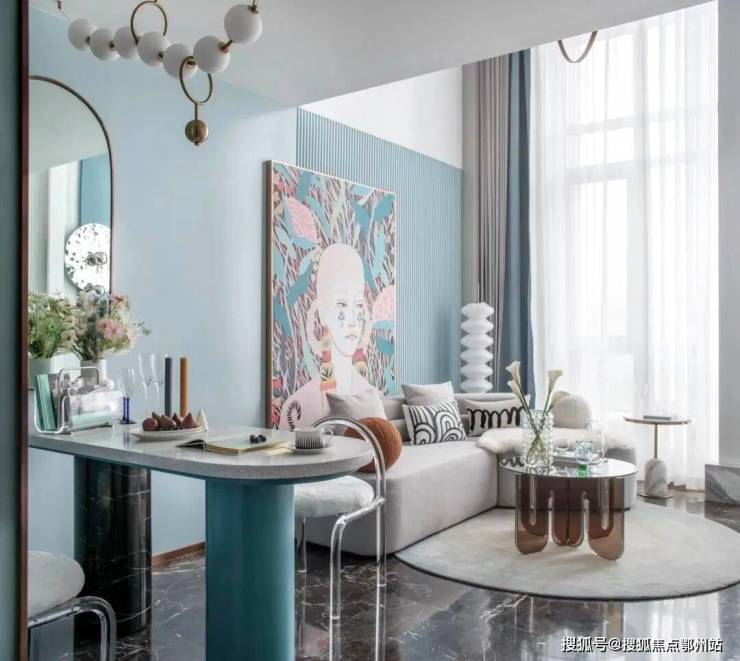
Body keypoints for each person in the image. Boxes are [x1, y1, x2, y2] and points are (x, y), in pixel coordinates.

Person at [279, 243, 377, 429]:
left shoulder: (374, 396)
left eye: (358, 305)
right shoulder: (297, 406)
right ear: (322, 311)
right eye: (342, 304)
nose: (352, 321)